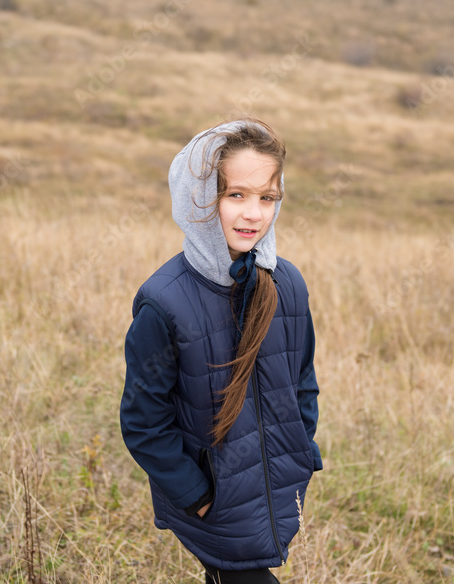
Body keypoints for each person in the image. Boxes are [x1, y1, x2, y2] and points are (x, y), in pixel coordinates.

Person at [119, 118, 321, 583]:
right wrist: (198, 494)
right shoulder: (164, 303)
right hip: (211, 503)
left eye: (267, 198)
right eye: (236, 195)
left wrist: (300, 451)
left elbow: (302, 381)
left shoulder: (286, 283)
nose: (254, 214)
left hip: (274, 489)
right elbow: (143, 421)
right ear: (199, 199)